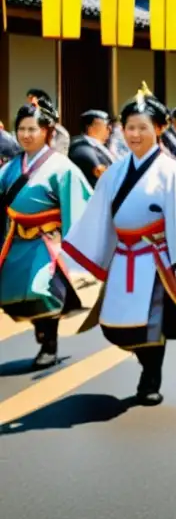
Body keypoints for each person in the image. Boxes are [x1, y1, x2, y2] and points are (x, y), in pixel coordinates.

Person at [62, 86, 176, 405]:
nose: (135, 134)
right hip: (124, 257)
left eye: (142, 127)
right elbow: (99, 215)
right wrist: (96, 255)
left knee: (152, 322)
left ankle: (151, 378)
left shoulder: (172, 173)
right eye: (129, 127)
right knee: (119, 323)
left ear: (159, 129)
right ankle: (145, 364)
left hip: (156, 259)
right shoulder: (115, 171)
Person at [0, 98, 92, 368]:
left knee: (40, 289)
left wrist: (77, 247)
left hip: (48, 241)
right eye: (22, 129)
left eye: (33, 129)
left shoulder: (62, 168)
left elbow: (79, 206)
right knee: (11, 293)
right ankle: (42, 328)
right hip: (17, 238)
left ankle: (49, 343)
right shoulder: (13, 166)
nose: (26, 135)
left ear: (47, 131)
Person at [68, 109, 116, 186]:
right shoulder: (80, 146)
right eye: (106, 125)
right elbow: (101, 172)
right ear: (91, 127)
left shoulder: (97, 145)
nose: (110, 129)